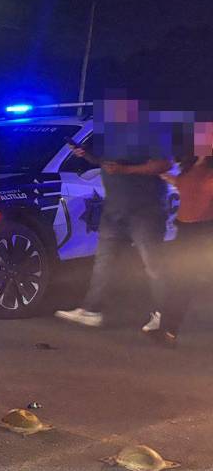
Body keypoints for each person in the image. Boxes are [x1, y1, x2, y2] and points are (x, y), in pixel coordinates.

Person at [56, 98, 171, 331]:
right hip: (115, 211)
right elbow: (106, 164)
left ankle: (163, 315)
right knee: (104, 263)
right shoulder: (111, 138)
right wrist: (85, 156)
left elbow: (163, 164)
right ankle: (91, 310)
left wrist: (126, 169)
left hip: (144, 211)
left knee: (154, 264)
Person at [155, 148, 213, 345]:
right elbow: (184, 185)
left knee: (186, 281)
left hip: (202, 232)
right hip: (184, 232)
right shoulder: (190, 165)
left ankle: (169, 329)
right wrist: (166, 177)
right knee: (181, 282)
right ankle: (169, 330)